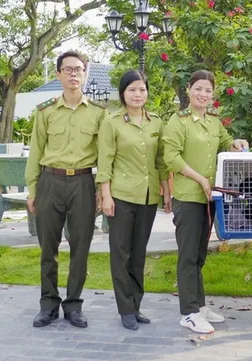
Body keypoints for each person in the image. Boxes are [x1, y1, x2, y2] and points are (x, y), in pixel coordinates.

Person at [162, 70, 249, 334]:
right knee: (188, 255)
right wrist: (200, 179)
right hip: (189, 197)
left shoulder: (213, 122)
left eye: (208, 90)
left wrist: (236, 142)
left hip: (210, 199)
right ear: (189, 90)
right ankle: (188, 313)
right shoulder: (178, 121)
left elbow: (224, 143)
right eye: (198, 89)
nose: (203, 94)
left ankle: (199, 306)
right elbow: (171, 157)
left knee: (199, 255)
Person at [25, 50, 107, 329]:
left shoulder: (98, 113)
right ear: (58, 74)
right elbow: (35, 152)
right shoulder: (46, 111)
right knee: (48, 247)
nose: (74, 73)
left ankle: (73, 305)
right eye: (68, 69)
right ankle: (48, 304)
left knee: (80, 247)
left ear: (85, 74)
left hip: (83, 183)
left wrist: (100, 188)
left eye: (79, 69)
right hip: (50, 181)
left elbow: (104, 155)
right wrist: (32, 190)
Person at [96, 70, 171, 331]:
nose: (138, 94)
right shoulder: (112, 122)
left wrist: (166, 192)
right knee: (121, 254)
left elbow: (161, 161)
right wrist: (105, 196)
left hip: (148, 196)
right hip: (121, 196)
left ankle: (136, 305)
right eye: (132, 90)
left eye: (142, 89)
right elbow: (104, 162)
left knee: (139, 254)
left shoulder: (156, 123)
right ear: (123, 94)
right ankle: (125, 309)